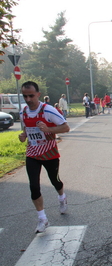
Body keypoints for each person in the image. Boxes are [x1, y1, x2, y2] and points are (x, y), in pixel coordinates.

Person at [18, 81, 70, 233]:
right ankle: (42, 218)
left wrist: (49, 129)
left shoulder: (48, 110)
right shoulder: (24, 112)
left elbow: (65, 127)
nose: (28, 99)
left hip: (49, 153)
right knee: (34, 186)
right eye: (25, 96)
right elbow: (27, 129)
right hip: (32, 153)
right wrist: (23, 135)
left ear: (38, 94)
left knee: (55, 181)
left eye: (31, 96)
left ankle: (62, 197)